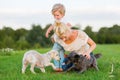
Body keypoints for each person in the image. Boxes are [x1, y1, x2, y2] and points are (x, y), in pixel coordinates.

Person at [45, 3, 71, 71]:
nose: (56, 17)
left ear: (63, 14)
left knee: (54, 52)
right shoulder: (56, 21)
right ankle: (61, 67)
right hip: (58, 41)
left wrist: (69, 27)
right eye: (54, 15)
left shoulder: (64, 21)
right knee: (61, 54)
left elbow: (69, 28)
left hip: (61, 41)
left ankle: (57, 66)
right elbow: (52, 26)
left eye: (57, 15)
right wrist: (48, 31)